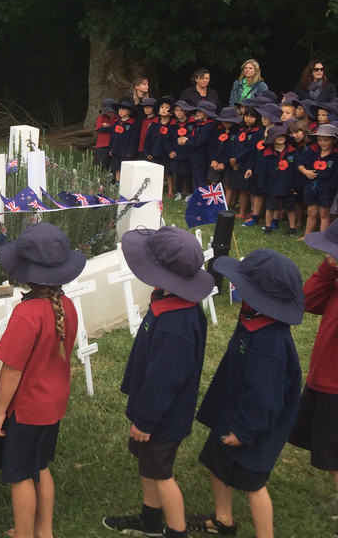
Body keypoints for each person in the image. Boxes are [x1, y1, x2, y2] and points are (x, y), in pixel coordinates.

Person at [103, 226, 214, 538]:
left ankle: (176, 531)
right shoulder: (169, 303)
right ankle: (150, 521)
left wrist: (146, 420)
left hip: (162, 417)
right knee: (149, 466)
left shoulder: (177, 324)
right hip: (153, 412)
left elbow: (165, 379)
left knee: (162, 474)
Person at [187, 250, 303, 538]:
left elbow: (264, 397)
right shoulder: (253, 317)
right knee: (216, 463)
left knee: (253, 484)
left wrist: (244, 430)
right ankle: (223, 520)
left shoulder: (271, 343)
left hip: (255, 426)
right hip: (232, 412)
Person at [0, 222, 83, 538]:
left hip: (26, 410)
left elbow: (12, 371)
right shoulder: (66, 306)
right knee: (40, 466)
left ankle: (24, 533)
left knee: (20, 475)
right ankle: (45, 531)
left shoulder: (26, 314)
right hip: (53, 405)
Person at [291, 220, 338, 525]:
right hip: (324, 376)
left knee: (333, 453)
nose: (329, 257)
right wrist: (328, 270)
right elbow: (306, 301)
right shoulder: (334, 279)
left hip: (334, 384)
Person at [298, 123, 338, 238]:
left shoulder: (335, 155)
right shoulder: (311, 150)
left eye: (326, 140)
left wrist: (330, 187)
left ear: (333, 140)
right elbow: (299, 163)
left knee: (324, 214)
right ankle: (307, 235)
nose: (322, 143)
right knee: (311, 212)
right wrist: (306, 172)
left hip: (327, 187)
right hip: (311, 185)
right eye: (320, 140)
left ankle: (322, 238)